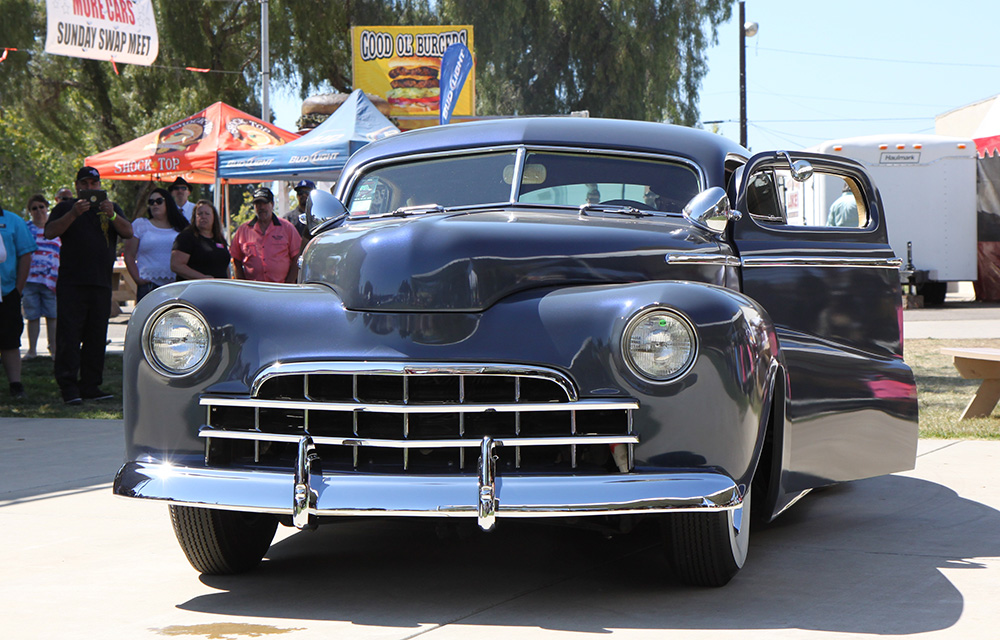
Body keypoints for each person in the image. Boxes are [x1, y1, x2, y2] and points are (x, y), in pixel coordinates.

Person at [45, 166, 133, 405]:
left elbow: (129, 232)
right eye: (85, 184)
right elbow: (49, 232)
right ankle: (69, 387)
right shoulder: (66, 207)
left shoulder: (110, 208)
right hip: (72, 283)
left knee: (96, 336)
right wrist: (73, 213)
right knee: (69, 337)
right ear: (77, 186)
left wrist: (112, 214)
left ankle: (91, 386)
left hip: (101, 282)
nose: (90, 188)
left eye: (94, 183)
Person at [124, 187, 188, 301]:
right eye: (151, 202)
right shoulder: (140, 224)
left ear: (168, 202)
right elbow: (129, 255)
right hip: (148, 285)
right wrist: (137, 279)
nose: (155, 204)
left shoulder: (181, 227)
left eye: (159, 201)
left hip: (176, 285)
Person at [0, 202, 37, 399]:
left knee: (10, 339)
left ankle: (15, 383)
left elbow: (25, 254)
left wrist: (17, 289)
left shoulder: (13, 221)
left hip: (6, 292)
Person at [230, 187, 301, 283]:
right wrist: (243, 284)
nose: (261, 207)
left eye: (264, 203)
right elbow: (236, 260)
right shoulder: (243, 230)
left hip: (280, 288)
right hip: (253, 289)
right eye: (258, 204)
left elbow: (297, 258)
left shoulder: (287, 228)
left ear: (272, 204)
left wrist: (288, 284)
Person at [22, 194, 61, 360]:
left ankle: (54, 349)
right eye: (34, 208)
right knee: (32, 316)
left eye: (41, 207)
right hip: (30, 279)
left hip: (51, 280)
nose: (38, 211)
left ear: (47, 208)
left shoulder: (55, 228)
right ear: (30, 212)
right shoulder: (25, 229)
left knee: (52, 315)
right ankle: (32, 350)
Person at [171, 200, 231, 280]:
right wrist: (202, 278)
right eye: (200, 214)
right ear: (194, 217)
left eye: (207, 214)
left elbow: (225, 265)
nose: (203, 216)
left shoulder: (219, 238)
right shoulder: (186, 237)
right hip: (196, 288)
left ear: (214, 217)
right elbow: (176, 265)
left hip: (220, 288)